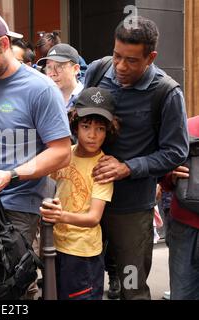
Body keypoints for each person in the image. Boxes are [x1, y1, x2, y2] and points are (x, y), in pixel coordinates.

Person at [0, 8, 71, 299]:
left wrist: (13, 174)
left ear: (5, 44)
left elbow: (61, 152)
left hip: (20, 202)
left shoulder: (41, 89)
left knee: (12, 282)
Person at [85, 16, 189, 300]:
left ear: (150, 57)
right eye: (117, 55)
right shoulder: (97, 71)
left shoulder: (167, 92)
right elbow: (79, 120)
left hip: (130, 209)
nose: (120, 66)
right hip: (86, 198)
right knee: (84, 279)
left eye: (131, 60)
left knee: (131, 283)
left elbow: (175, 151)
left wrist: (128, 168)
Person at [41, 87, 120, 300]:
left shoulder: (103, 167)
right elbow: (47, 187)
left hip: (83, 253)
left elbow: (94, 218)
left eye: (100, 129)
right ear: (75, 127)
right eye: (86, 126)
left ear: (108, 131)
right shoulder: (64, 154)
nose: (92, 135)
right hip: (55, 244)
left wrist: (60, 216)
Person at [160, 115, 199, 300]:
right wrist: (172, 175)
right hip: (185, 225)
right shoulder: (187, 126)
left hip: (183, 223)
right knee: (183, 292)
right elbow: (165, 174)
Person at [36, 43, 84, 110]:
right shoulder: (44, 99)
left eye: (59, 66)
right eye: (49, 67)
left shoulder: (88, 100)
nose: (52, 73)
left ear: (75, 69)